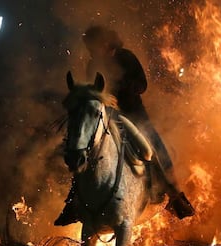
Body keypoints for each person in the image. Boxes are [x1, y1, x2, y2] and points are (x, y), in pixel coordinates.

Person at [54, 25, 194, 226]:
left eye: (93, 46)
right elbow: (94, 93)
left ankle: (174, 195)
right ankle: (73, 203)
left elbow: (142, 85)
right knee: (84, 149)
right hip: (108, 116)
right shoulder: (93, 64)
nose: (91, 51)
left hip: (134, 114)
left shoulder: (126, 57)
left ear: (104, 41)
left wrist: (122, 89)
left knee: (155, 147)